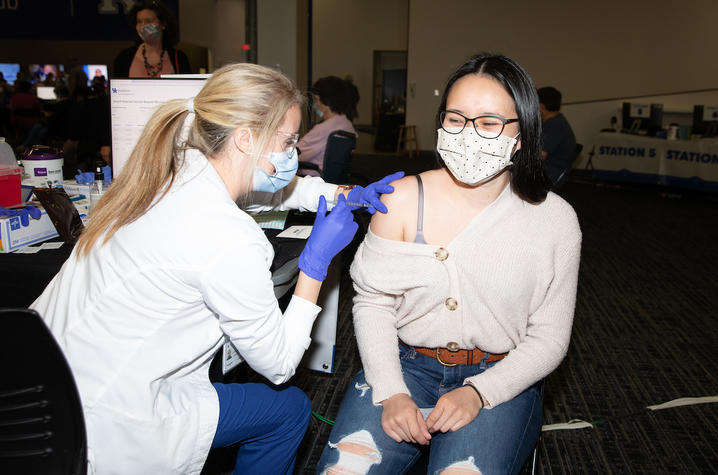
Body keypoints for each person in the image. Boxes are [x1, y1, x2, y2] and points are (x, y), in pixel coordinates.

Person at [30, 63, 400, 474]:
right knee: (290, 409)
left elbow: (259, 195)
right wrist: (314, 265)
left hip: (37, 394)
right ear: (245, 139)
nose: (294, 154)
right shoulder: (227, 237)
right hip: (109, 421)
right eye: (289, 142)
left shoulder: (165, 173)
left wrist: (341, 193)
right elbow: (278, 363)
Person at [317, 53, 582, 474]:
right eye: (456, 119)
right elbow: (374, 303)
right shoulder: (401, 199)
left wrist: (480, 392)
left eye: (489, 122)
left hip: (501, 373)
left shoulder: (554, 220)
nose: (469, 134)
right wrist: (391, 391)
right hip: (405, 366)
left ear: (522, 133)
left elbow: (549, 339)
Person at [296, 76, 356, 177]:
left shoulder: (323, 129)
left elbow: (296, 155)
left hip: (313, 178)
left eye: (316, 99)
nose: (315, 104)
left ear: (325, 102)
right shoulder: (347, 124)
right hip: (334, 179)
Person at [113, 0, 190, 78]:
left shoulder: (179, 58)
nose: (143, 26)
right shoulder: (124, 58)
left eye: (148, 21)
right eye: (139, 21)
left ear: (163, 24)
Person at [537, 86, 576, 186]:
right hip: (549, 170)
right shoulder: (556, 121)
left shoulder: (554, 125)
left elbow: (540, 155)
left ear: (541, 106)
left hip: (548, 174)